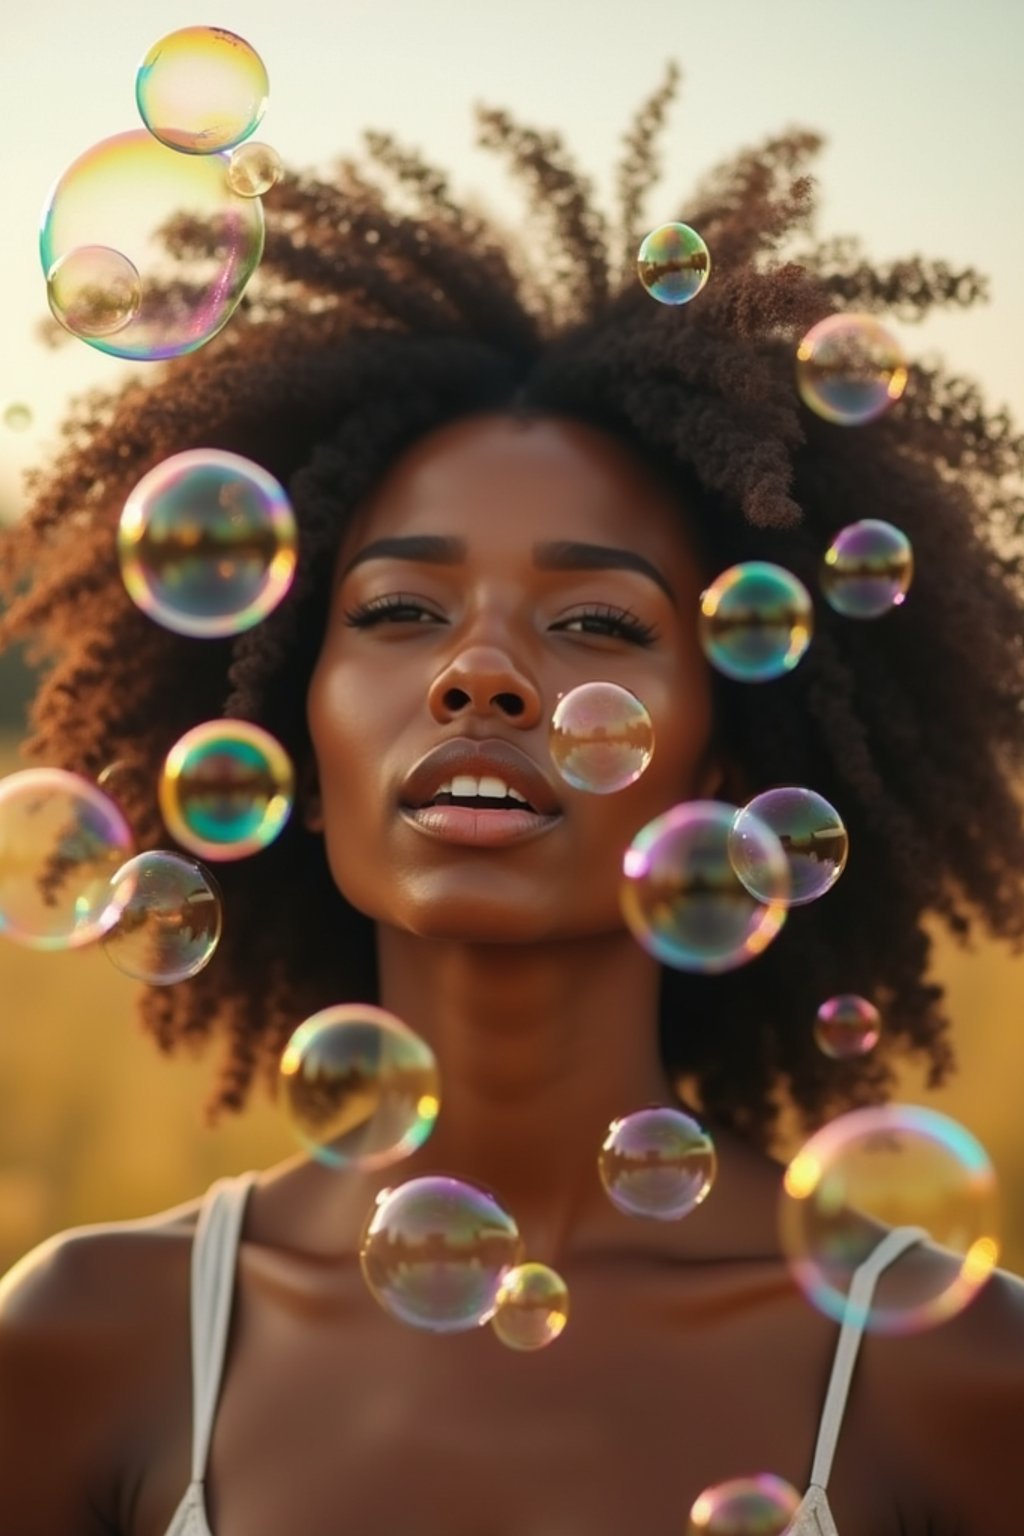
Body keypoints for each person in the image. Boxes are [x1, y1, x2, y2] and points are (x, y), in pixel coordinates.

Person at [0, 65, 1022, 1536]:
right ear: (283, 710)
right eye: (401, 611)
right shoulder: (98, 1341)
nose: (484, 675)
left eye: (596, 626)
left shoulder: (957, 1376)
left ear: (730, 763)